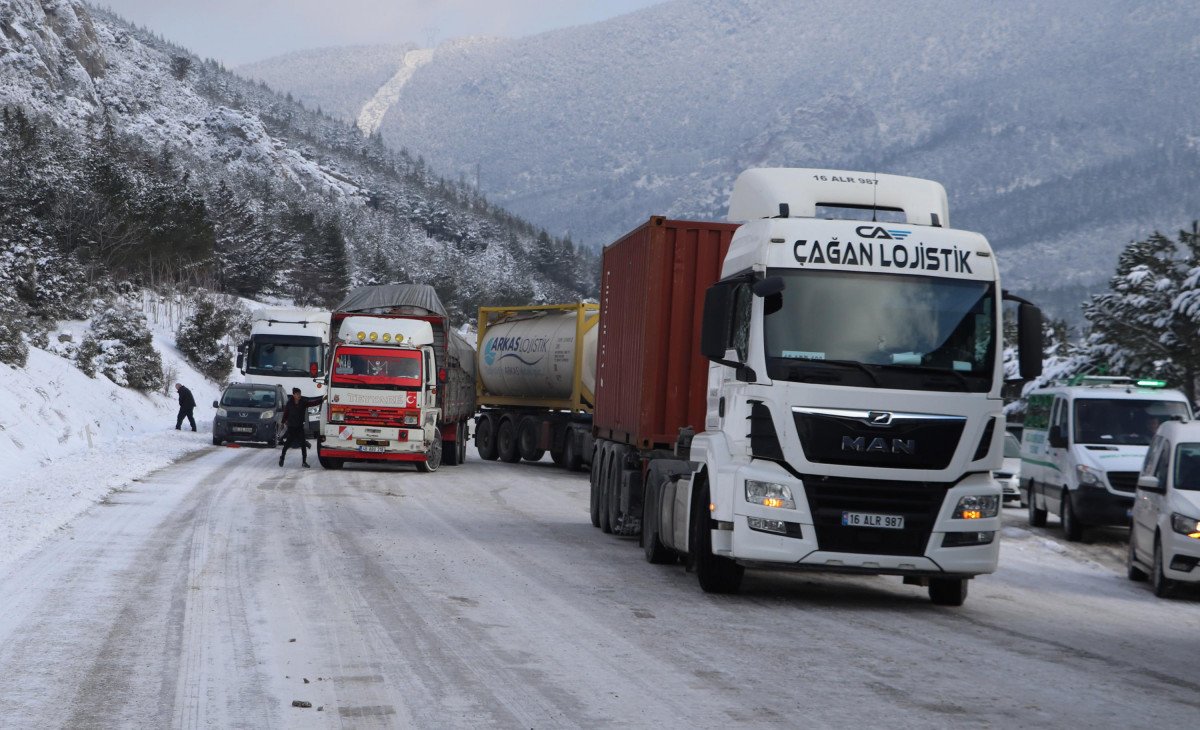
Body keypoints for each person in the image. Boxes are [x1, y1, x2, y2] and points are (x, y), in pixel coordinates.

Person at [280, 387, 324, 467]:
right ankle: (282, 457)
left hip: (299, 427)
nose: (299, 395)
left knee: (303, 444)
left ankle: (304, 462)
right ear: (293, 395)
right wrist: (282, 423)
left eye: (300, 394)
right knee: (287, 444)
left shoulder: (303, 402)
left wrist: (321, 400)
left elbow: (312, 403)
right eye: (297, 394)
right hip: (291, 427)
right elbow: (286, 414)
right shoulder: (289, 403)